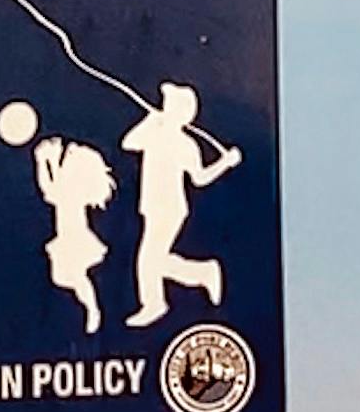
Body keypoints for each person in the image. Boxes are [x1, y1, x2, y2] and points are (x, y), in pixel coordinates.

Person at [121, 83, 239, 327]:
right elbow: (128, 143)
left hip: (171, 207)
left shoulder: (187, 145)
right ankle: (202, 274)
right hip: (151, 204)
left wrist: (224, 163)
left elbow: (199, 178)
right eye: (166, 102)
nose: (164, 106)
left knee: (149, 259)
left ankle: (156, 303)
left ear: (182, 113)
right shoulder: (154, 132)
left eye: (170, 103)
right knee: (153, 259)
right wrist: (149, 122)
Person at [32, 134, 115, 332]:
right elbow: (51, 190)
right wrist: (47, 160)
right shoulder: (67, 189)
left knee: (75, 276)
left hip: (74, 237)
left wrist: (46, 160)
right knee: (62, 277)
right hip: (68, 237)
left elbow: (50, 190)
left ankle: (93, 309)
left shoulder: (71, 192)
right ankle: (91, 306)